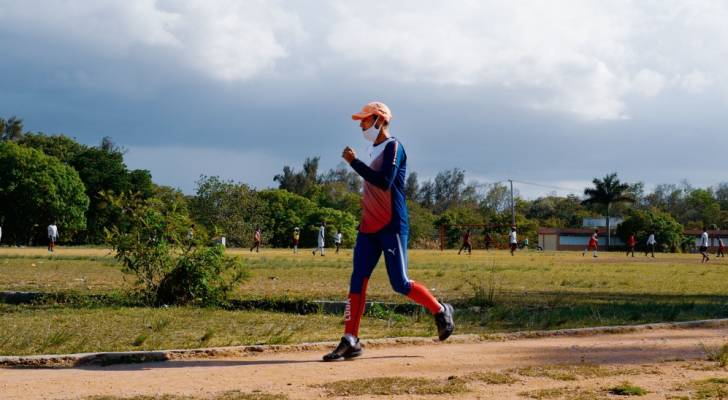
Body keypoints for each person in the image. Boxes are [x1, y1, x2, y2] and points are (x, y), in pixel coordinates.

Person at [323, 101, 454, 361]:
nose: (361, 125)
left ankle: (440, 310)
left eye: (364, 120)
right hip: (368, 226)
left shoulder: (394, 146)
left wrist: (353, 163)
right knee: (357, 278)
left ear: (379, 120)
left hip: (391, 224)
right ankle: (350, 339)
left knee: (399, 283)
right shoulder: (372, 149)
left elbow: (384, 182)